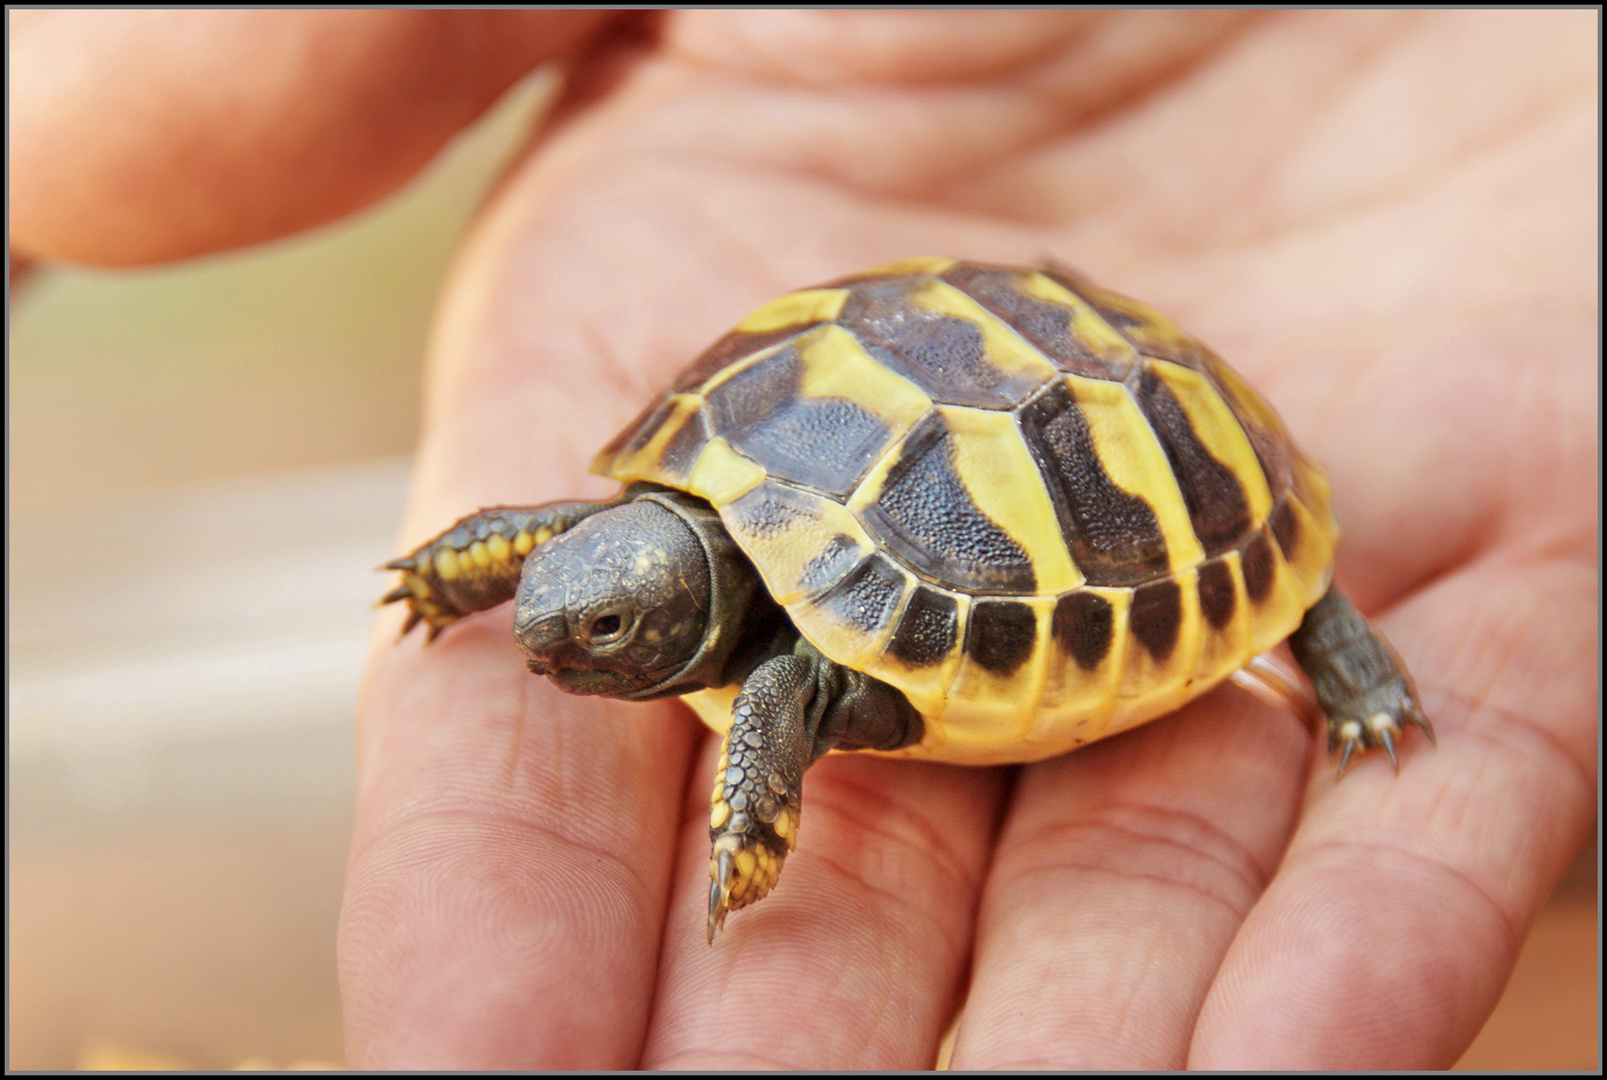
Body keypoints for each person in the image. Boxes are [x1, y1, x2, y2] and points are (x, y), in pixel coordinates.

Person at [12, 10, 1596, 1070]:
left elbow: (776, 687)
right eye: (571, 624)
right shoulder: (654, 529)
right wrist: (463, 572)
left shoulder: (774, 672)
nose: (565, 647)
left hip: (1134, 442)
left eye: (604, 637)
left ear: (681, 626)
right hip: (864, 404)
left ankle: (1355, 671)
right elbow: (570, 545)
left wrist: (748, 828)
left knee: (1292, 622)